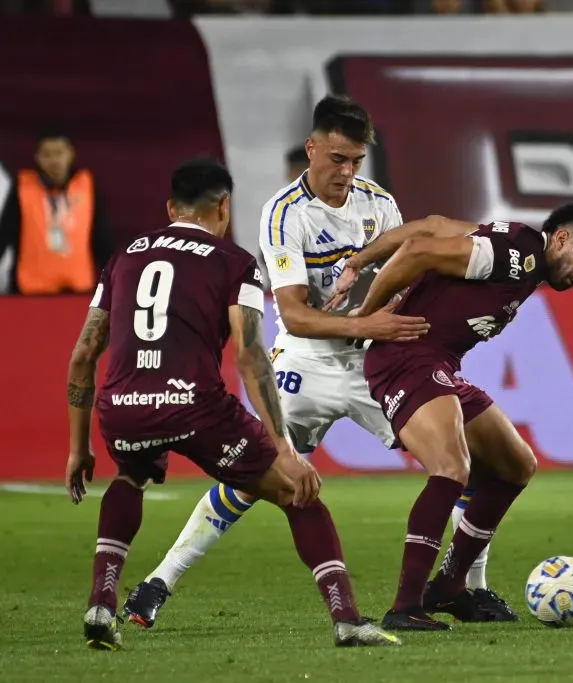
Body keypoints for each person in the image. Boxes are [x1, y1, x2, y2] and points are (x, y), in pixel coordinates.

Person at [120, 95, 510, 628]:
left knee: (466, 462)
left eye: (356, 161)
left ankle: (468, 586)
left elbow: (403, 275)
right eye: (337, 159)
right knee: (250, 477)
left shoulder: (379, 205)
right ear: (312, 148)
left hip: (377, 366)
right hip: (306, 365)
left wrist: (397, 318)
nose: (346, 172)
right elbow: (296, 316)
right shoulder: (284, 214)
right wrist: (366, 324)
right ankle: (158, 582)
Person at [66, 157, 399, 650]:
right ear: (224, 206)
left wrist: (78, 448)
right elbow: (250, 356)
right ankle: (346, 618)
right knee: (297, 491)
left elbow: (82, 356)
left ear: (170, 207)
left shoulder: (124, 257)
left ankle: (101, 603)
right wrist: (284, 446)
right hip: (196, 406)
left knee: (129, 477)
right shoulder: (233, 261)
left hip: (124, 405)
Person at [328, 201, 573, 630]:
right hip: (406, 358)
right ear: (561, 238)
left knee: (515, 465)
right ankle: (406, 606)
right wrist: (366, 319)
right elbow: (416, 250)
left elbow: (433, 223)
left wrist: (358, 261)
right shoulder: (516, 255)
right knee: (451, 469)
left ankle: (450, 585)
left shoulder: (517, 246)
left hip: (438, 366)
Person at [0, 127, 114, 295]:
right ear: (37, 158)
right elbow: (4, 235)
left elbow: (102, 239)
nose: (54, 161)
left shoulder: (86, 186)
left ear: (70, 154)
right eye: (47, 155)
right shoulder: (23, 188)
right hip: (31, 293)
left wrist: (115, 278)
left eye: (59, 153)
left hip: (78, 292)